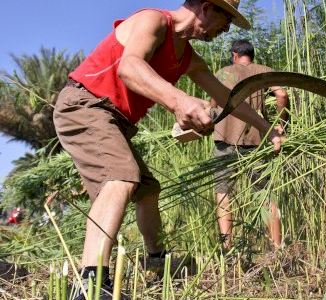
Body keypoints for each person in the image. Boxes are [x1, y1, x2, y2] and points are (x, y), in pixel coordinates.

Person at [52, 0, 284, 298]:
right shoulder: (153, 21)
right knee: (121, 177)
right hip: (85, 105)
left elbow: (228, 99)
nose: (224, 31)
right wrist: (179, 101)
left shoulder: (188, 57)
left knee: (147, 189)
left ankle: (156, 261)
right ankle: (90, 284)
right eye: (224, 22)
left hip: (116, 121)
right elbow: (129, 67)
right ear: (206, 8)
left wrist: (268, 129)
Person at [211, 39, 289, 251]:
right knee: (264, 194)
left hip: (224, 140)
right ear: (251, 55)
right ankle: (276, 247)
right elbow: (281, 94)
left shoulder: (223, 73)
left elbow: (212, 105)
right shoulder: (263, 70)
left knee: (223, 192)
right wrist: (280, 124)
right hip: (256, 140)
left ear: (234, 54)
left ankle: (227, 247)